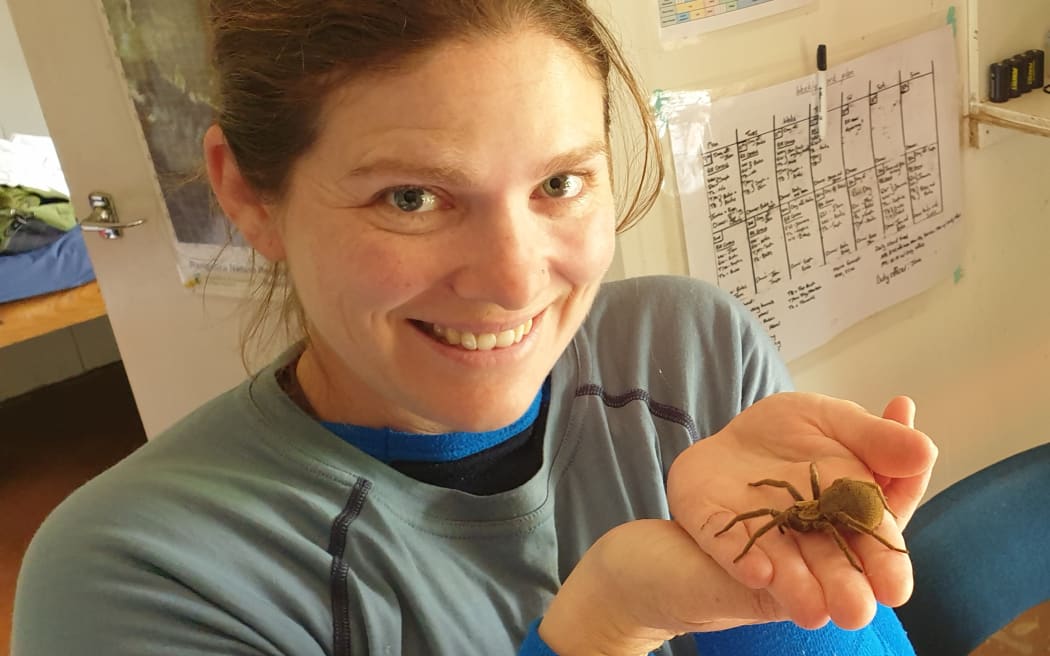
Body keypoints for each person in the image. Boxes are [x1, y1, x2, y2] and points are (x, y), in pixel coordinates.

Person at [12, 1, 937, 654]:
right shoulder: (136, 576)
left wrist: (771, 598)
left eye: (559, 183)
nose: (511, 282)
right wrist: (605, 624)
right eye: (411, 198)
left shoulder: (691, 353)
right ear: (248, 194)